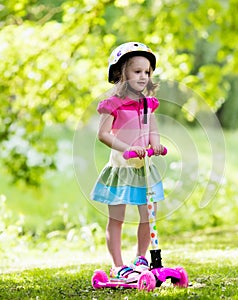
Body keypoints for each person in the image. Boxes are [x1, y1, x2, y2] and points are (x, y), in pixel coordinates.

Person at [90, 42, 165, 283]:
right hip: (122, 169)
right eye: (137, 72)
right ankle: (117, 265)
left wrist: (156, 144)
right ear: (122, 73)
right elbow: (103, 134)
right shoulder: (112, 103)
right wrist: (127, 149)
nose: (143, 77)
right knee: (117, 218)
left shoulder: (147, 103)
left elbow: (151, 126)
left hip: (144, 169)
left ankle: (141, 258)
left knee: (148, 216)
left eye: (147, 72)